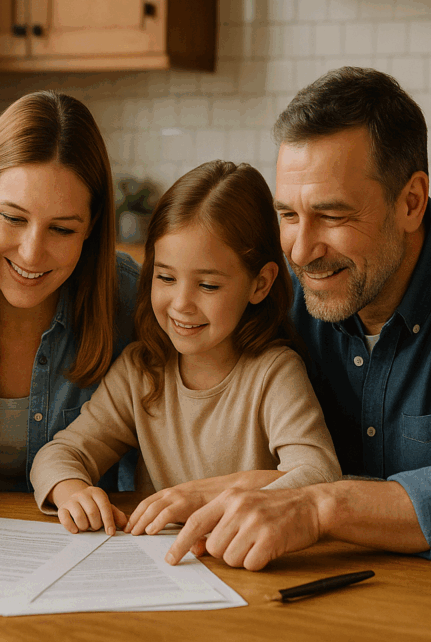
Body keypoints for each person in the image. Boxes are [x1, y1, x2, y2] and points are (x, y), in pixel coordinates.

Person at [168, 67, 431, 570]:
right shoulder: (290, 294)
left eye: (333, 216)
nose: (302, 251)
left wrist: (319, 504)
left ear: (410, 202)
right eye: (289, 215)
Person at [30, 161, 340, 536]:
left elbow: (318, 474)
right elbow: (58, 454)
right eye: (165, 277)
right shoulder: (140, 372)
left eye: (208, 286)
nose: (180, 304)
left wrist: (204, 495)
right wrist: (71, 490)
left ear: (260, 284)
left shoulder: (274, 372)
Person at [0, 91, 139, 492]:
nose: (31, 253)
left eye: (62, 229)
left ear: (92, 223)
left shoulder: (131, 298)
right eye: (13, 218)